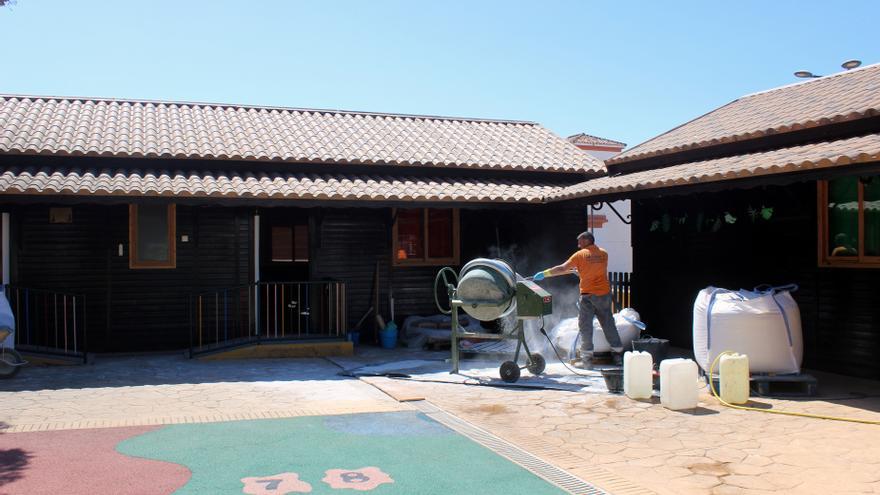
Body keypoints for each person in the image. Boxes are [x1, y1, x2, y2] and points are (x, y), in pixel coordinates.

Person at [533, 231, 622, 368]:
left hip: (588, 297)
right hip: (604, 295)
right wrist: (580, 272)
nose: (578, 244)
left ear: (587, 240)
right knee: (609, 324)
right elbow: (593, 269)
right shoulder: (604, 253)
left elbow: (562, 268)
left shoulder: (579, 255)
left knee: (585, 327)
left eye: (580, 241)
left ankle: (587, 361)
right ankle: (618, 357)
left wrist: (545, 274)